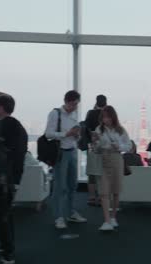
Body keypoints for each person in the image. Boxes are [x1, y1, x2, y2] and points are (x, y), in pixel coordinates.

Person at [0, 95, 28, 264]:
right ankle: (6, 245)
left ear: (1, 107)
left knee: (1, 215)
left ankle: (8, 252)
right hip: (11, 177)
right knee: (5, 213)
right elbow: (20, 154)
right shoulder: (18, 127)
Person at [45, 90, 87, 229]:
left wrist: (77, 135)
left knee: (72, 185)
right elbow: (48, 134)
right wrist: (66, 133)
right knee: (59, 187)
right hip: (60, 153)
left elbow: (76, 135)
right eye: (74, 104)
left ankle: (70, 212)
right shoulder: (55, 114)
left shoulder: (74, 114)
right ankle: (58, 217)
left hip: (72, 151)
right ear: (67, 101)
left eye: (77, 104)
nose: (75, 107)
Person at [92, 106, 132, 231]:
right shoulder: (99, 130)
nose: (106, 120)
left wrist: (119, 146)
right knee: (104, 191)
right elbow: (96, 150)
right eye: (103, 117)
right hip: (104, 159)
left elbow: (129, 146)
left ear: (113, 117)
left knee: (116, 191)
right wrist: (95, 142)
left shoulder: (120, 130)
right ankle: (107, 220)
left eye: (108, 117)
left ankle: (113, 217)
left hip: (117, 159)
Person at [84, 95, 107, 206]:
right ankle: (102, 197)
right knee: (103, 173)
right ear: (106, 103)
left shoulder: (91, 113)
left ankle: (92, 197)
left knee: (92, 174)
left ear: (96, 102)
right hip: (105, 148)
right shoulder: (107, 114)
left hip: (92, 147)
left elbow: (86, 127)